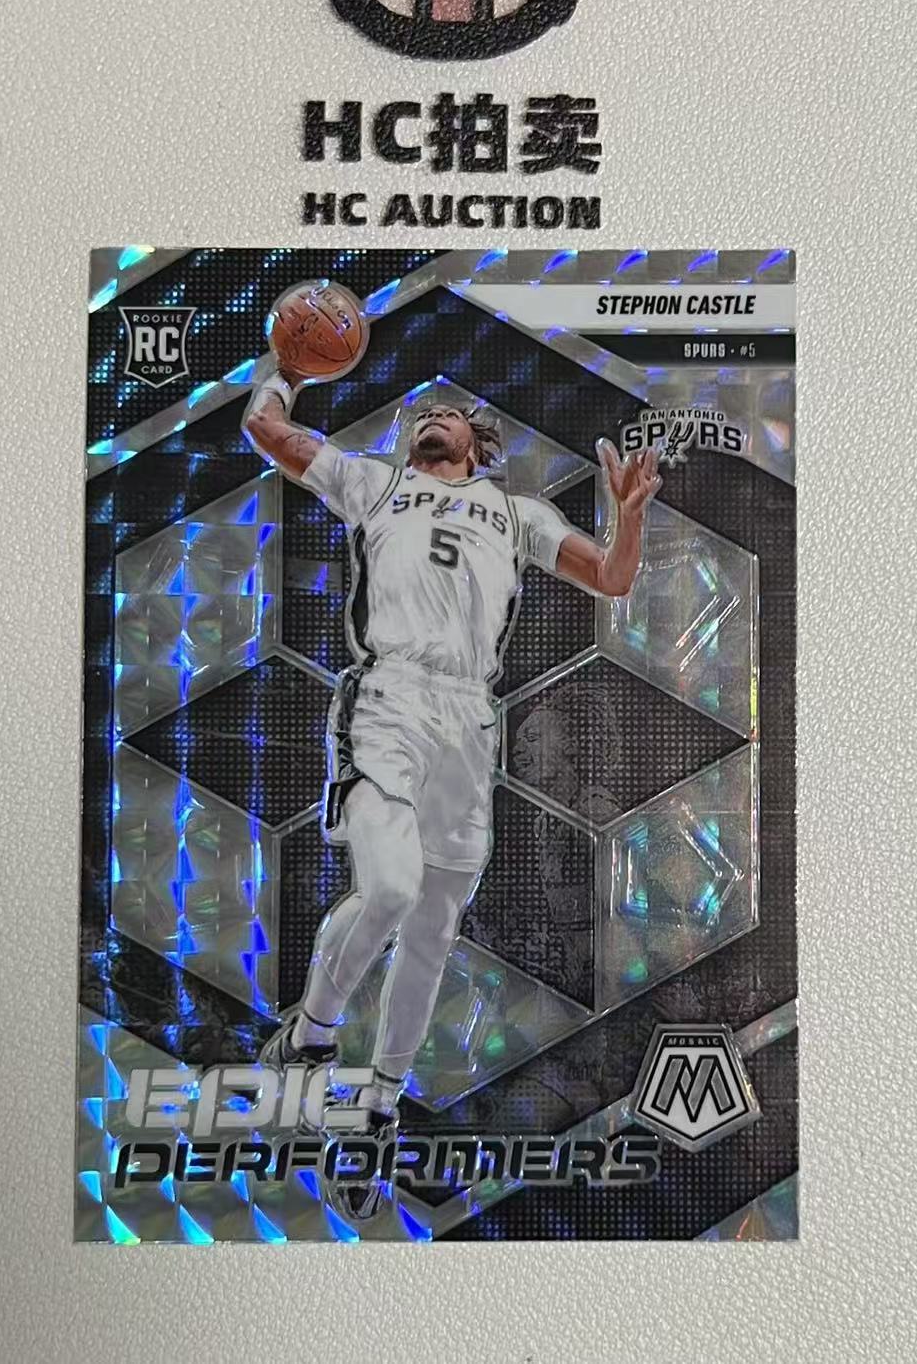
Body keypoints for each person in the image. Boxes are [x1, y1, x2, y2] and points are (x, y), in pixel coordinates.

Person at [242, 361, 659, 1219]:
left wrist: (630, 519)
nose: (429, 417)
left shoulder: (517, 514)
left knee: (432, 928)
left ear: (478, 440)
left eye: (446, 413)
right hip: (389, 698)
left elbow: (614, 578)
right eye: (420, 414)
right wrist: (285, 371)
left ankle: (377, 1110)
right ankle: (311, 1035)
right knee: (391, 887)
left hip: (470, 721)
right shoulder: (375, 483)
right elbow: (268, 432)